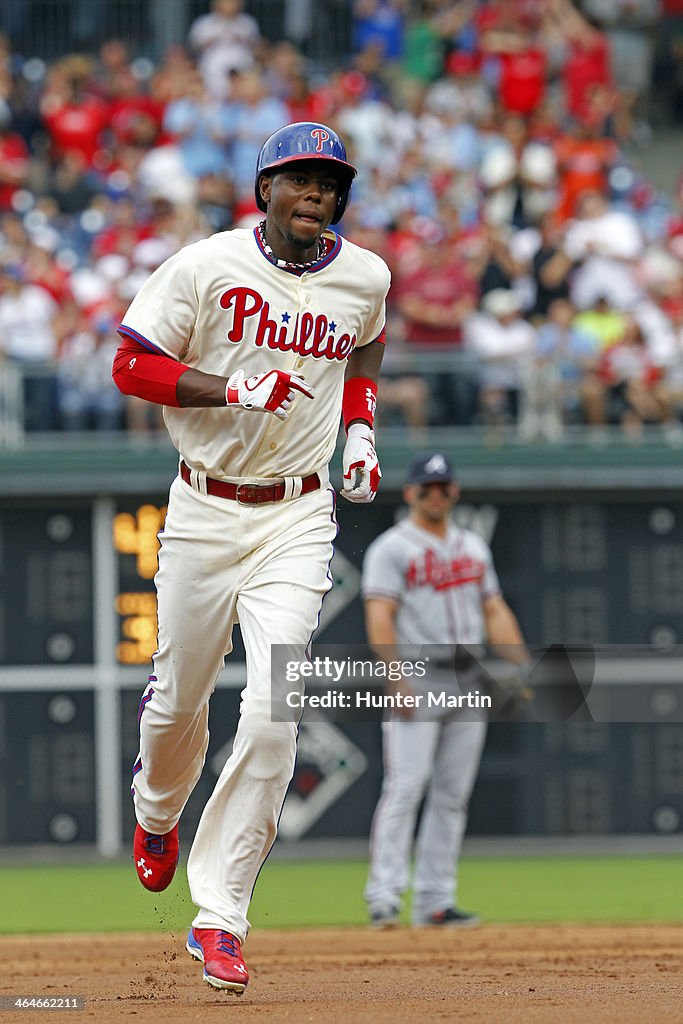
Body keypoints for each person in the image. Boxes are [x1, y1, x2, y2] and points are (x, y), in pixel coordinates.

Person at [111, 121, 390, 994]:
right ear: (263, 188)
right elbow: (130, 365)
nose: (317, 193)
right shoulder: (206, 265)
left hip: (298, 515)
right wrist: (228, 385)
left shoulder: (365, 274)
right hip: (202, 505)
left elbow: (366, 347)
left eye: (330, 181)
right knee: (177, 703)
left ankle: (220, 917)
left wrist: (359, 429)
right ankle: (157, 813)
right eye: (300, 179)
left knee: (275, 713)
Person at [363, 452, 528, 928]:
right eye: (427, 487)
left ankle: (436, 901)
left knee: (453, 794)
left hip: (468, 676)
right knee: (406, 787)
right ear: (410, 493)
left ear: (454, 492)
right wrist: (394, 678)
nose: (436, 494)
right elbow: (380, 616)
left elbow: (494, 610)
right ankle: (385, 895)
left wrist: (523, 667)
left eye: (444, 487)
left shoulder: (473, 547)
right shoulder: (391, 548)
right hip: (417, 673)